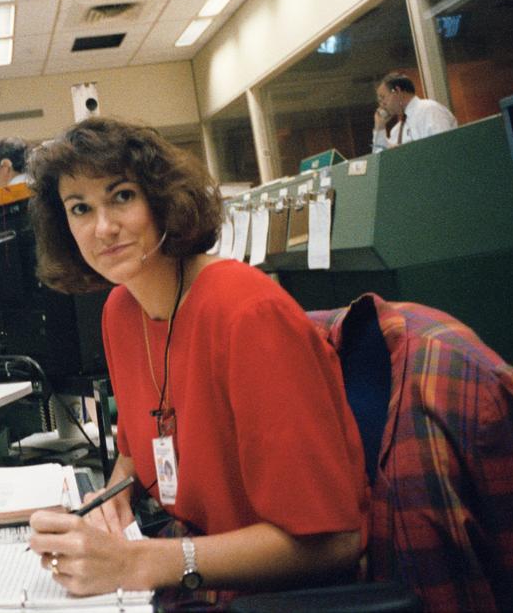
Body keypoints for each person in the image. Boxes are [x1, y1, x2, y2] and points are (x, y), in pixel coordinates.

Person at [25, 117, 367, 602]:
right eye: (80, 208)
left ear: (162, 200)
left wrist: (137, 562)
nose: (103, 228)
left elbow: (334, 544)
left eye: (122, 196)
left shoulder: (249, 313)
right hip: (202, 567)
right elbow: (135, 449)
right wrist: (111, 498)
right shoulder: (120, 311)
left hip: (280, 594)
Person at [372, 71, 457, 152]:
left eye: (383, 98)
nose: (382, 104)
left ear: (397, 91)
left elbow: (444, 147)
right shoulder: (396, 131)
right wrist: (379, 127)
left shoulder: (430, 110)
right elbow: (380, 158)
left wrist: (409, 152)